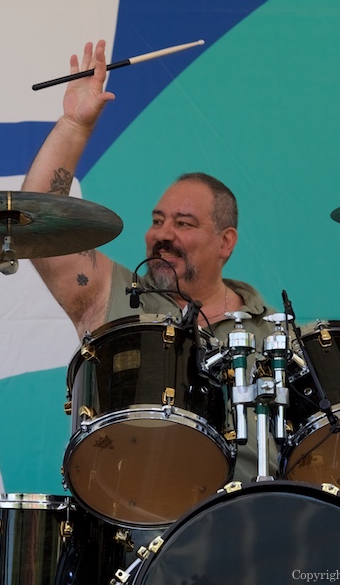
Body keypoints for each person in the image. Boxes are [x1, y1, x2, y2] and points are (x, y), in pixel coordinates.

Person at [21, 40, 281, 485]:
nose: (162, 234)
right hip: (139, 536)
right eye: (158, 220)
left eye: (183, 223)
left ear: (226, 242)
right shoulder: (113, 296)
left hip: (256, 532)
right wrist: (74, 124)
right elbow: (37, 223)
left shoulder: (275, 335)